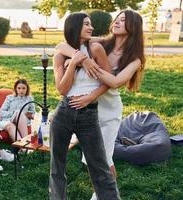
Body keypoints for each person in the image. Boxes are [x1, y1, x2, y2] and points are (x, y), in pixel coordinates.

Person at [55, 10, 145, 200]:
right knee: (91, 159)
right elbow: (62, 44)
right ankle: (104, 193)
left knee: (103, 159)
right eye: (118, 19)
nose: (118, 22)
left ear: (133, 27)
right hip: (88, 110)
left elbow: (114, 82)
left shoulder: (135, 59)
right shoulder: (102, 43)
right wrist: (82, 59)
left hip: (108, 110)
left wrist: (88, 66)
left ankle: (102, 195)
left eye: (124, 20)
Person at [49, 12, 120, 200]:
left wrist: (90, 97)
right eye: (86, 24)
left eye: (91, 24)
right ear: (74, 27)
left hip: (88, 115)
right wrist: (73, 63)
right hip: (63, 113)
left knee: (100, 168)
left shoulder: (96, 49)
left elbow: (108, 81)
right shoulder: (59, 56)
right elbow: (62, 89)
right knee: (57, 168)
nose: (91, 27)